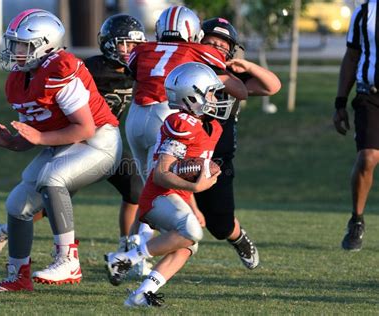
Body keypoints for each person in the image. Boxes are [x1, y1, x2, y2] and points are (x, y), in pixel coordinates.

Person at [0, 14, 146, 265]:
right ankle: (11, 238)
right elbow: (36, 126)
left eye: (133, 46)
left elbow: (84, 126)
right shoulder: (86, 69)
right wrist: (13, 142)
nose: (127, 51)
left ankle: (126, 250)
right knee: (44, 196)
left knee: (134, 189)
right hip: (69, 139)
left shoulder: (66, 68)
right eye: (123, 44)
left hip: (98, 139)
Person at [123, 5, 248, 275]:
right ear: (193, 31)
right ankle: (140, 254)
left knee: (147, 186)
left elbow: (136, 81)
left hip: (135, 116)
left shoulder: (142, 50)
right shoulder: (201, 51)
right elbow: (233, 87)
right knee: (160, 183)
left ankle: (132, 250)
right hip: (166, 111)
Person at [105, 62, 231, 307]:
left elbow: (188, 172)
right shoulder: (181, 123)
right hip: (158, 196)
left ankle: (142, 293)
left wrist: (193, 204)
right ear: (192, 96)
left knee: (188, 245)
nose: (216, 98)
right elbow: (161, 174)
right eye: (211, 93)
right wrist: (196, 188)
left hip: (177, 198)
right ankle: (125, 258)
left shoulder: (212, 127)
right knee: (191, 232)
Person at [195, 18, 281, 269]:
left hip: (217, 163)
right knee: (155, 206)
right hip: (180, 155)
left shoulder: (234, 76)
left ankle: (239, 238)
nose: (215, 50)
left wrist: (248, 66)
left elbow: (272, 86)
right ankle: (133, 251)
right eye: (210, 43)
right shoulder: (184, 70)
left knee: (220, 225)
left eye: (222, 46)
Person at [333, 0, 378, 251]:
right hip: (370, 94)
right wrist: (340, 102)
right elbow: (352, 56)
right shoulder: (365, 12)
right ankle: (357, 220)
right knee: (368, 157)